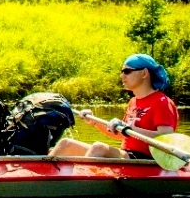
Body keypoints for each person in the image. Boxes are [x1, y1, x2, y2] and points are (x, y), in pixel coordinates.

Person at [47, 53, 178, 160]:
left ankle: (78, 187)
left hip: (145, 160)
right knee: (66, 144)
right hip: (127, 154)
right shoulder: (133, 101)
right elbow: (122, 135)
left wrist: (130, 128)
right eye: (122, 72)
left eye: (127, 71)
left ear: (144, 73)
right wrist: (94, 122)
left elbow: (166, 137)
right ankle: (39, 182)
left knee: (99, 148)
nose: (122, 76)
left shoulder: (162, 102)